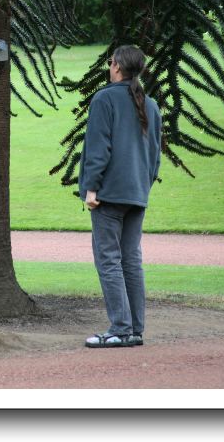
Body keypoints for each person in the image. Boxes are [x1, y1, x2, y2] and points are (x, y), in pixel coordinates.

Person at [78, 44, 162, 348]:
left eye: (110, 62)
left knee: (109, 260)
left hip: (108, 194)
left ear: (116, 66)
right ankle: (134, 329)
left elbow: (99, 149)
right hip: (137, 194)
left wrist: (91, 188)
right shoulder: (150, 104)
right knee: (130, 260)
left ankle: (120, 328)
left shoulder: (104, 99)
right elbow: (154, 156)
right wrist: (142, 186)